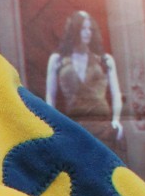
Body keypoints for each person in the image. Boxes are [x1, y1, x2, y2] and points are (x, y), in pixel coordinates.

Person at [45, 9, 123, 150]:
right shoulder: (58, 60)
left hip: (102, 125)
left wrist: (116, 120)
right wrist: (52, 124)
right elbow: (50, 96)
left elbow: (116, 93)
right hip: (74, 126)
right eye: (83, 29)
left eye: (90, 29)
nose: (87, 33)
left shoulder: (104, 60)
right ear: (74, 31)